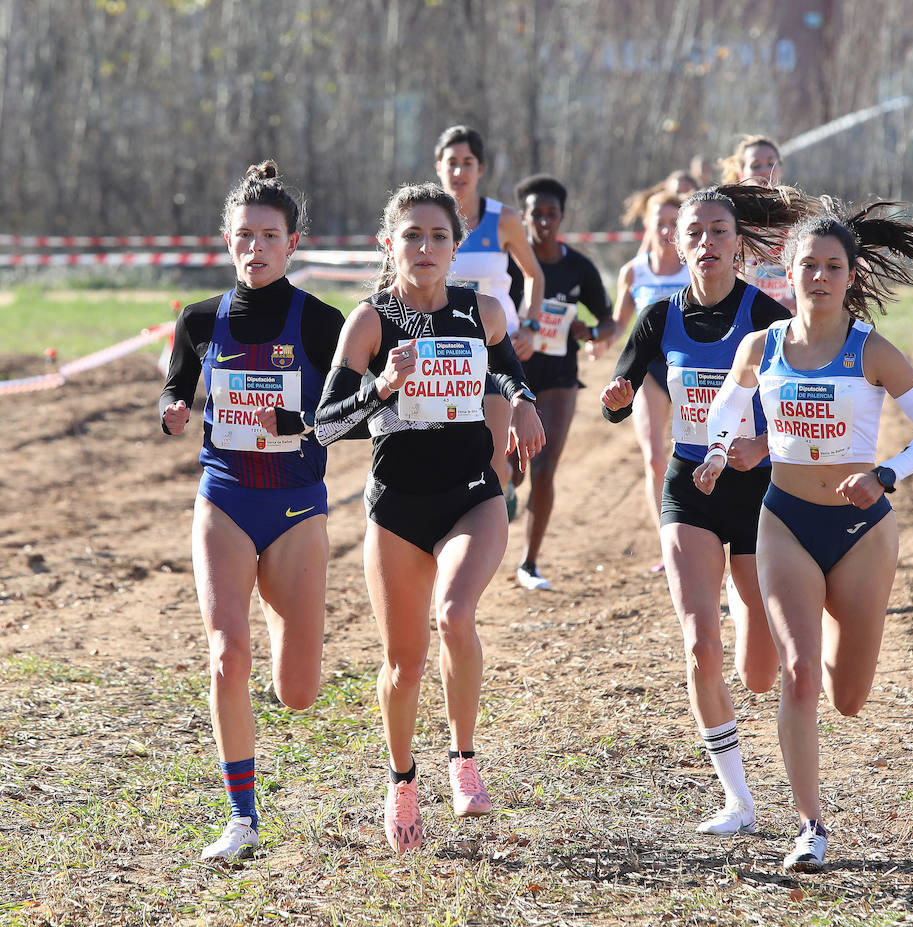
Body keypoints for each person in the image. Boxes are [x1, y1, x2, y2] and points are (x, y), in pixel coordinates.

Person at [695, 197, 913, 872]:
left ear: (849, 274)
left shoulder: (871, 349)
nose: (819, 276)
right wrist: (722, 449)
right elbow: (727, 403)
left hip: (864, 530)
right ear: (788, 271)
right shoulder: (764, 344)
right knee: (799, 672)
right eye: (807, 264)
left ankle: (847, 640)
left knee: (850, 694)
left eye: (832, 266)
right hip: (785, 519)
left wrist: (886, 473)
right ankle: (810, 824)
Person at [314, 182, 545, 854]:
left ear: (456, 245)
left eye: (438, 236)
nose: (424, 247)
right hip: (396, 508)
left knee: (455, 612)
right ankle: (402, 781)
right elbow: (326, 426)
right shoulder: (369, 321)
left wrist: (524, 399)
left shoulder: (483, 310)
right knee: (402, 664)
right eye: (411, 235)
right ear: (391, 244)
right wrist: (380, 385)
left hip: (472, 495)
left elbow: (504, 372)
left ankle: (463, 759)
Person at [600, 183, 811, 836]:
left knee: (756, 669)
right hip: (689, 487)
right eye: (695, 232)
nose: (707, 243)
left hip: (754, 492)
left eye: (719, 230)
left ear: (737, 241)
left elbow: (808, 405)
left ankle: (757, 654)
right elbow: (621, 392)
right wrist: (615, 396)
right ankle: (738, 801)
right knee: (699, 646)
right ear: (676, 241)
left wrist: (759, 445)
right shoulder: (660, 316)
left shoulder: (767, 315)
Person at [158, 161, 345, 862]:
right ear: (227, 240)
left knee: (296, 692)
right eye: (244, 236)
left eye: (270, 235)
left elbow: (351, 416)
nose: (256, 248)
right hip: (225, 499)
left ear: (293, 242)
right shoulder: (200, 318)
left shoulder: (321, 322)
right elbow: (176, 385)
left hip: (297, 509)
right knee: (225, 656)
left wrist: (299, 418)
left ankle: (276, 595)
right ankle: (242, 816)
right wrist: (174, 410)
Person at [508, 173, 617, 591]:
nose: (544, 221)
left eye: (552, 214)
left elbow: (607, 322)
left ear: (562, 216)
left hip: (559, 380)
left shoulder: (579, 266)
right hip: (512, 377)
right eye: (536, 214)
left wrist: (590, 332)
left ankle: (530, 562)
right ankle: (497, 520)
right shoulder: (510, 263)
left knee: (545, 465)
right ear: (524, 217)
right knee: (511, 470)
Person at [434, 124, 545, 515]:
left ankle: (500, 493)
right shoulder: (429, 223)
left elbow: (534, 275)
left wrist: (530, 326)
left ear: (480, 169)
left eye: (468, 163)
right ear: (439, 167)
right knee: (446, 462)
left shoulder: (504, 219)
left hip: (496, 352)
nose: (459, 172)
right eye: (452, 163)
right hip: (442, 354)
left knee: (493, 465)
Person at [606, 188, 692, 547]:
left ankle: (705, 530)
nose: (667, 231)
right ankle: (669, 543)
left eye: (675, 224)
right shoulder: (633, 272)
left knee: (698, 454)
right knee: (656, 459)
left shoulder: (695, 268)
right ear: (647, 225)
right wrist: (591, 333)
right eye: (660, 223)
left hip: (691, 369)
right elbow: (617, 323)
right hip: (649, 371)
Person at [719, 135, 794, 311]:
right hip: (744, 310)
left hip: (786, 313)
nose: (764, 170)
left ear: (780, 168)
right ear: (741, 173)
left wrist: (796, 297)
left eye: (771, 163)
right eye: (755, 165)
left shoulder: (795, 212)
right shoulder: (730, 213)